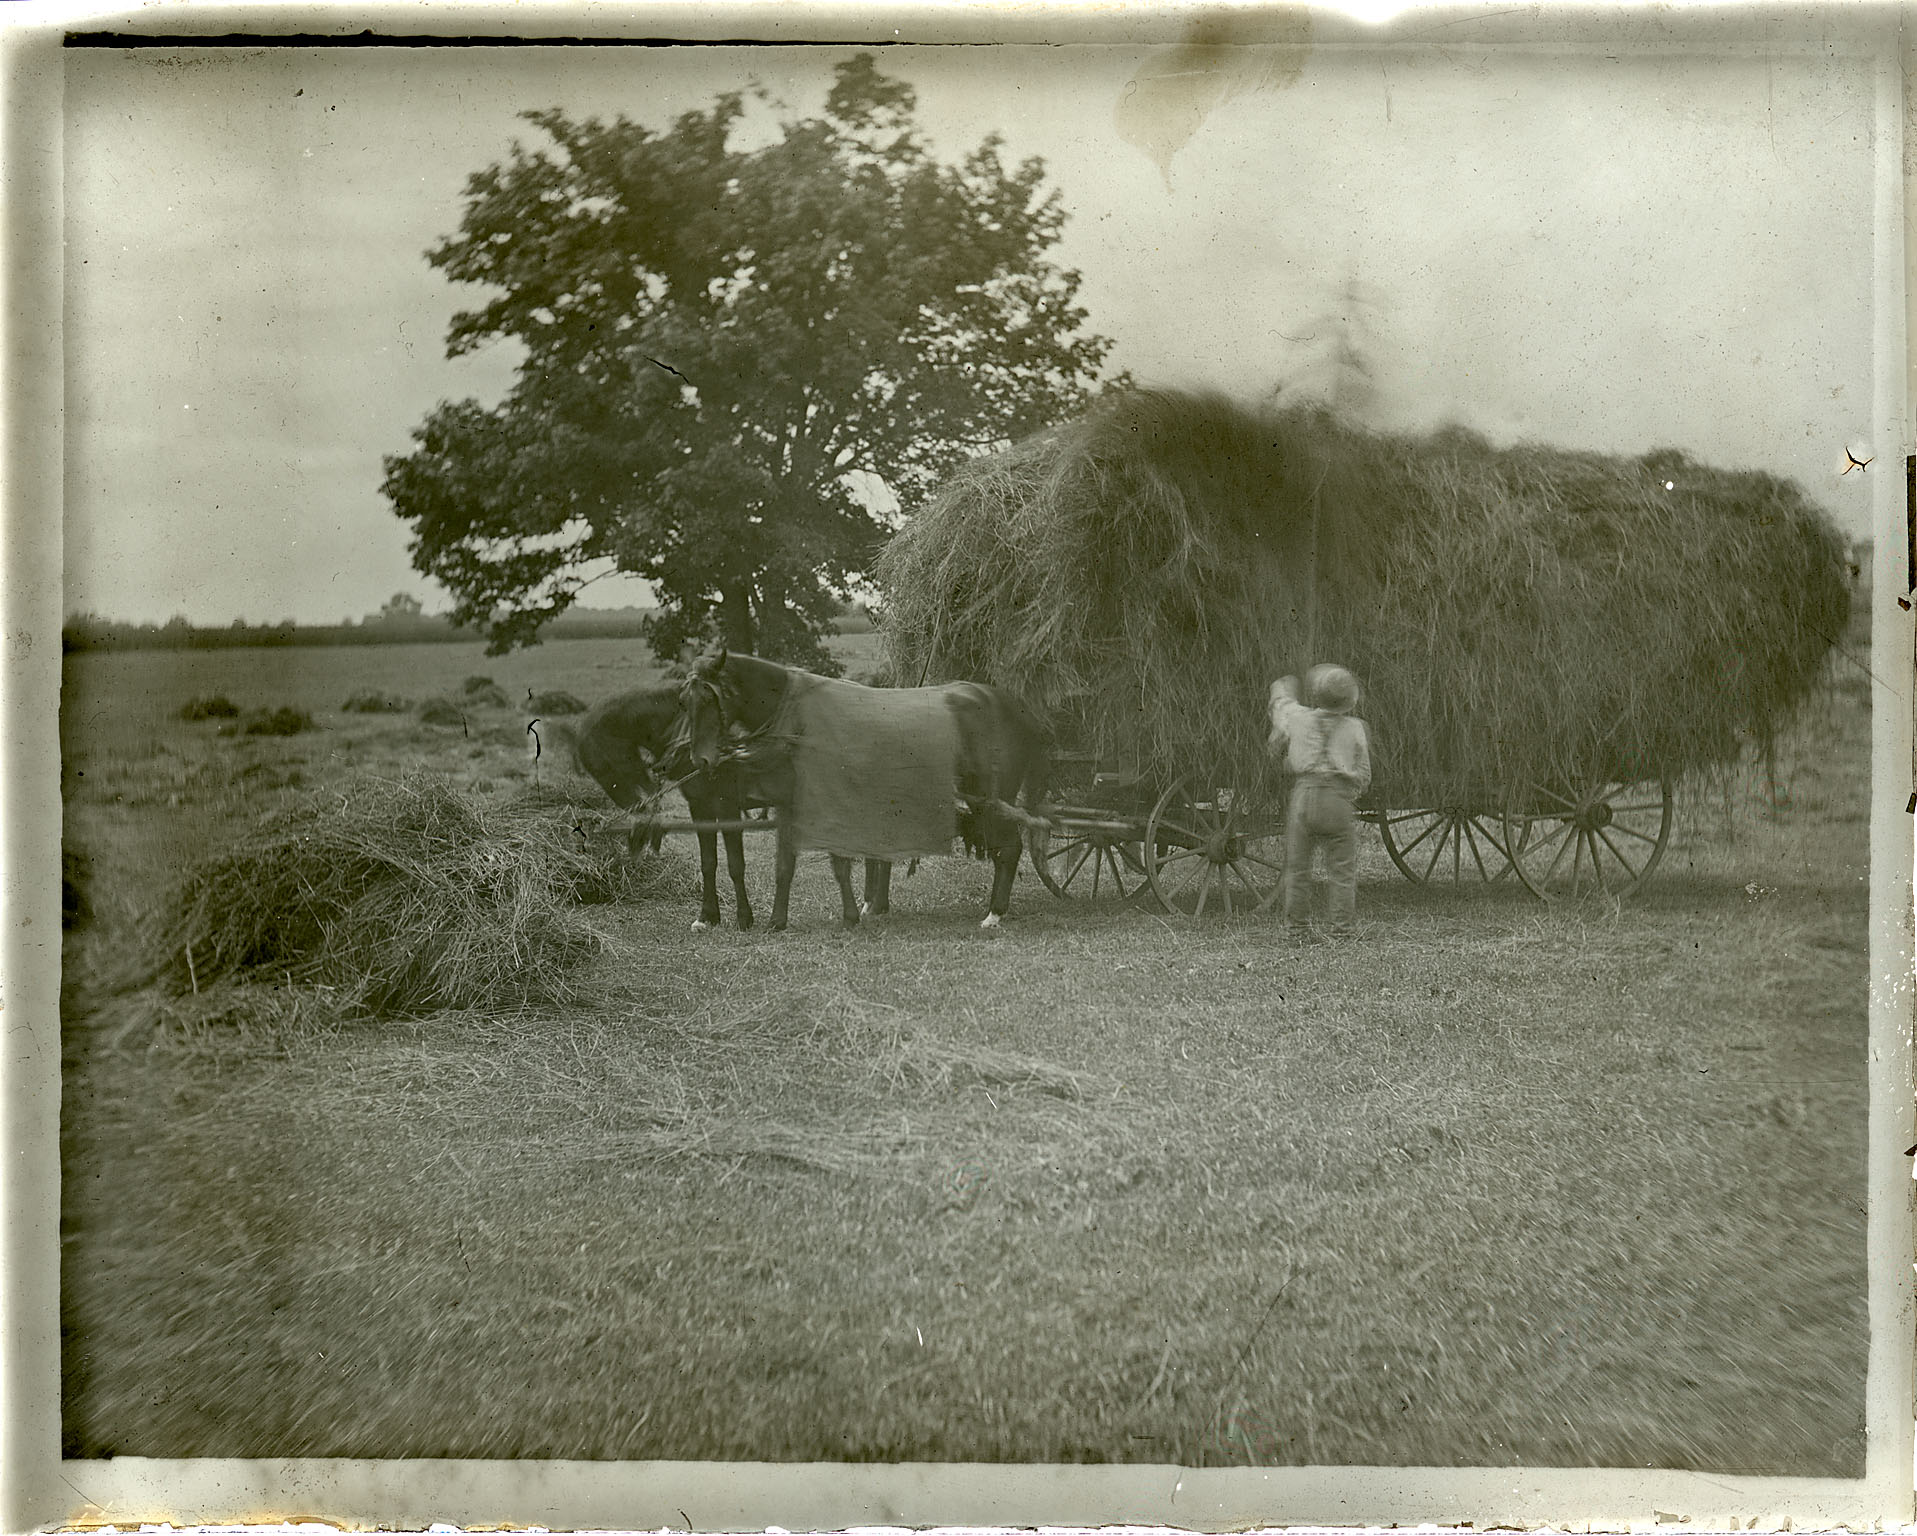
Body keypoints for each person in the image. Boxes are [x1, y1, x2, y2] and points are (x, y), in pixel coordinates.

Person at [1268, 663, 1371, 934]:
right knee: (1342, 869)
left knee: (1298, 869)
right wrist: (1349, 792)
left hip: (1303, 796)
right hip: (1337, 799)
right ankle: (1342, 929)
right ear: (1348, 701)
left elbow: (1281, 705)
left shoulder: (1298, 718)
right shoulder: (1356, 727)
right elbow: (1364, 773)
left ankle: (1296, 929)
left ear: (1317, 696)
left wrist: (1285, 685)